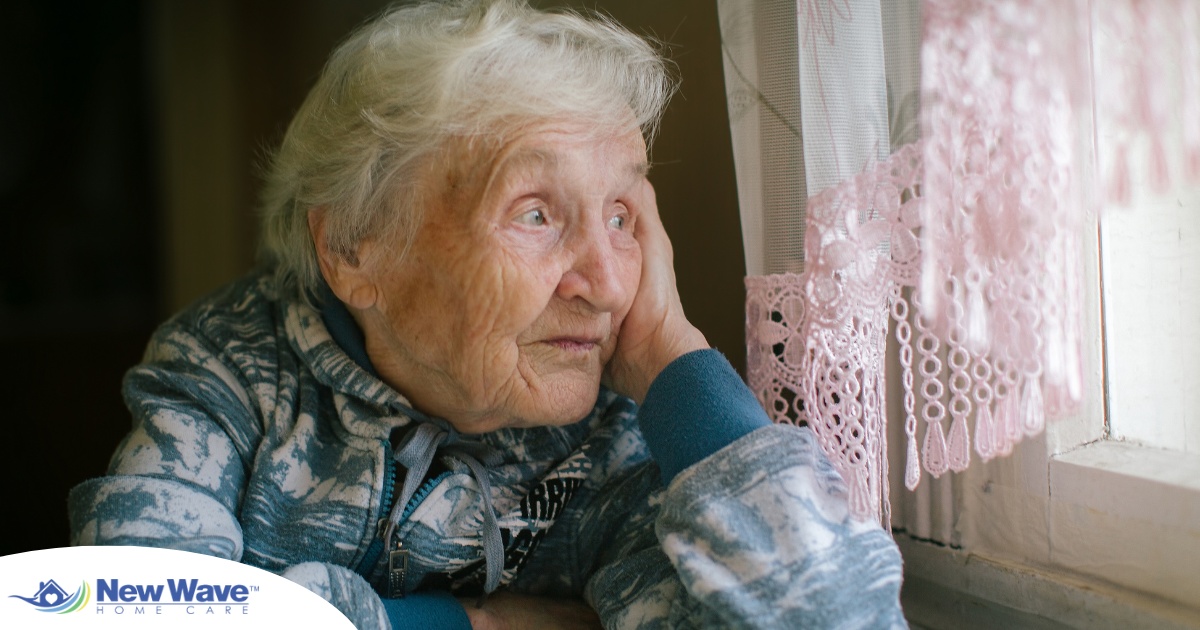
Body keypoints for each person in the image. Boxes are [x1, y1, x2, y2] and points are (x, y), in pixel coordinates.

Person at [68, 1, 907, 628]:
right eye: (535, 213)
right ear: (355, 247)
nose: (609, 286)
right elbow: (117, 613)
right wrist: (468, 623)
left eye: (621, 215)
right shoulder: (229, 374)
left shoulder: (617, 433)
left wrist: (674, 358)